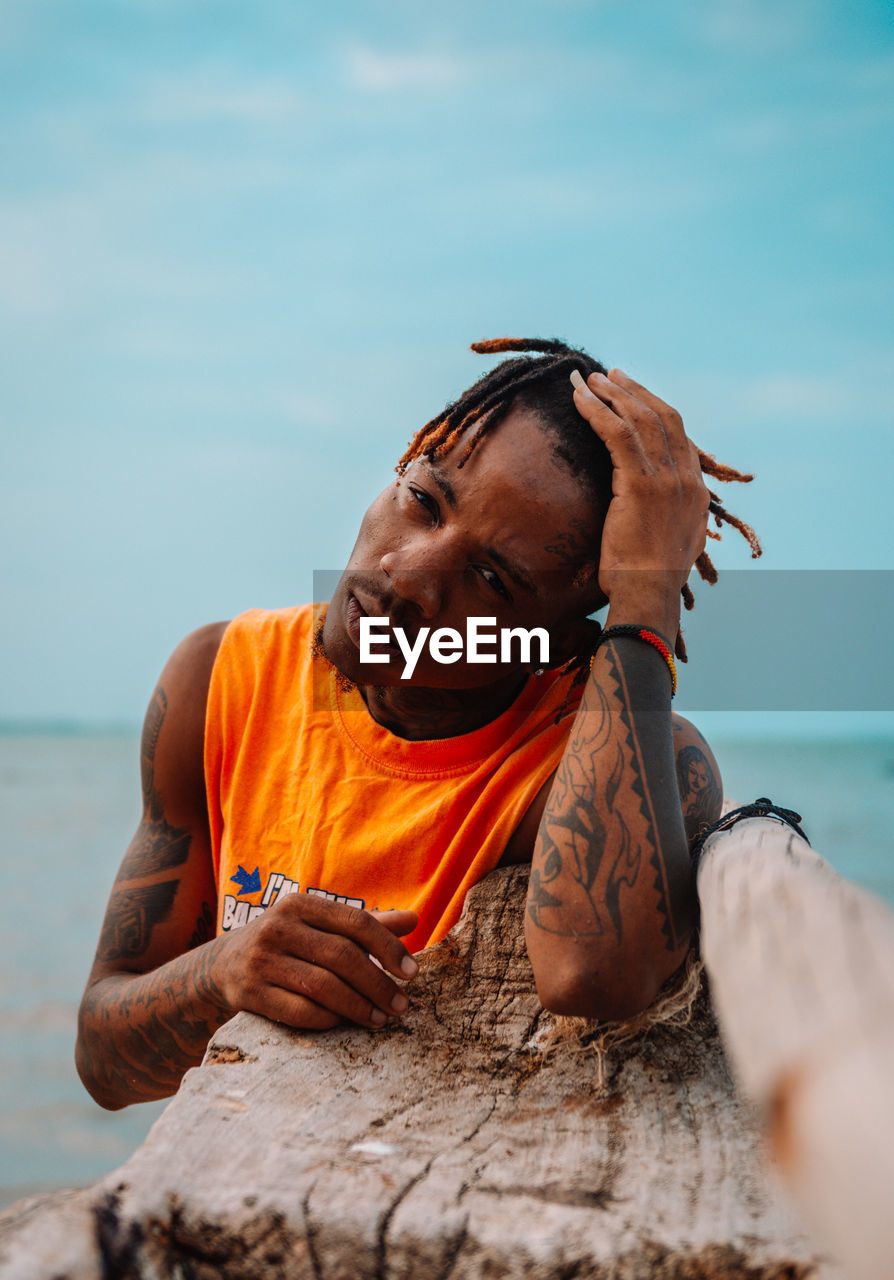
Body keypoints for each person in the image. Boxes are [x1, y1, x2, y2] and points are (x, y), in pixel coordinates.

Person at [75, 338, 759, 1110]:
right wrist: (225, 970)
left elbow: (593, 975)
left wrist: (644, 605)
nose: (408, 578)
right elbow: (103, 1062)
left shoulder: (608, 756)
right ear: (404, 463)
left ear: (559, 643)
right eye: (424, 502)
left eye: (491, 579)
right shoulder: (220, 679)